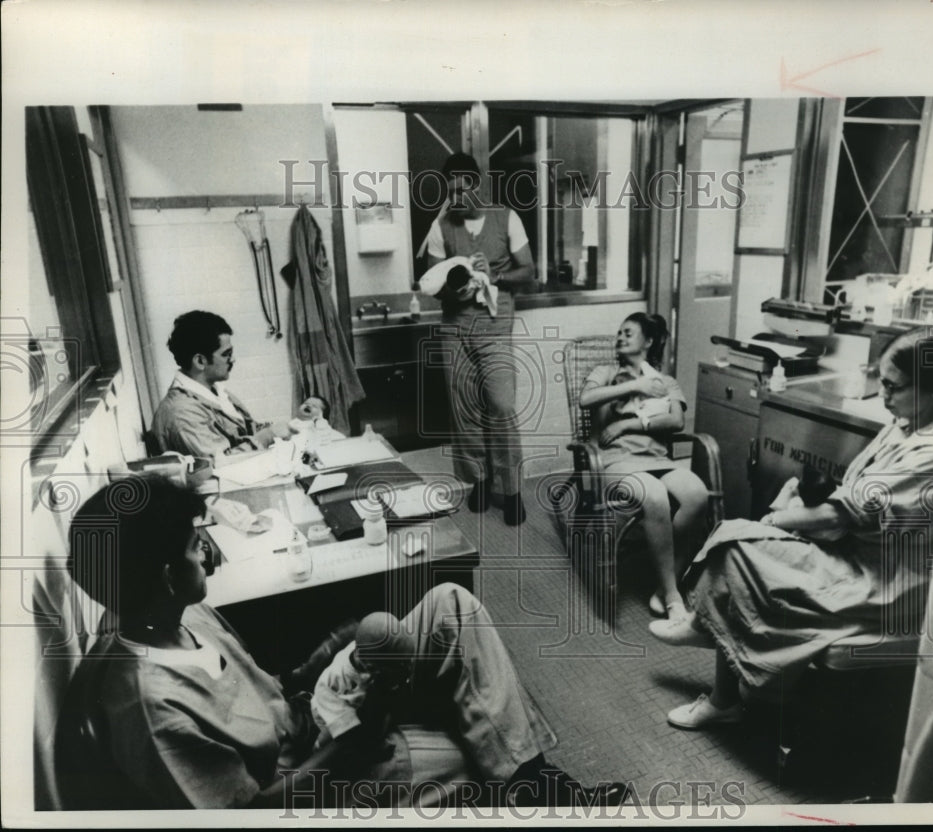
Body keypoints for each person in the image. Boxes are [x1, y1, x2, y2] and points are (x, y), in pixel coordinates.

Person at [64, 475, 626, 809]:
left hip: (312, 723)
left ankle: (543, 787)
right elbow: (251, 814)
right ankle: (543, 792)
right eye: (194, 545)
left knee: (450, 603)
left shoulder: (179, 615)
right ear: (164, 575)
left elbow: (258, 695)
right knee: (470, 752)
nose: (208, 552)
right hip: (309, 781)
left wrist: (318, 660)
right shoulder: (153, 708)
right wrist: (355, 743)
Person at [652, 329, 933, 729]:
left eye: (894, 386)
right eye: (882, 383)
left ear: (932, 387)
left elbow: (842, 515)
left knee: (740, 546)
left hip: (882, 585)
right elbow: (854, 498)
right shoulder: (906, 422)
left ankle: (715, 664)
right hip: (856, 554)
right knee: (737, 542)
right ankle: (709, 637)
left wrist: (780, 519)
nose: (884, 395)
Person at [425, 152, 536, 526]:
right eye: (449, 192)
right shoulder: (442, 227)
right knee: (465, 409)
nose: (455, 198)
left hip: (494, 326)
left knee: (502, 407)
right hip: (456, 327)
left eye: (460, 189)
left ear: (476, 185)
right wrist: (455, 284)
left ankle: (512, 488)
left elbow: (529, 272)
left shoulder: (507, 219)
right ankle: (480, 482)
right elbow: (432, 283)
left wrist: (497, 277)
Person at [578, 312, 709, 619]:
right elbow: (586, 399)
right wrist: (635, 386)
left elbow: (675, 420)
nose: (620, 337)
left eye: (629, 333)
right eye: (619, 332)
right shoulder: (605, 371)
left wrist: (630, 424)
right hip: (614, 460)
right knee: (653, 494)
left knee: (697, 495)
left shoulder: (665, 381)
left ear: (648, 342)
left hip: (657, 458)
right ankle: (674, 597)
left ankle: (666, 584)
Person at [152, 310, 290, 459]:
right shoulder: (181, 413)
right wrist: (268, 436)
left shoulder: (216, 392)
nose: (233, 359)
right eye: (226, 354)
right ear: (200, 361)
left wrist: (288, 428)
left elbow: (250, 429)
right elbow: (220, 464)